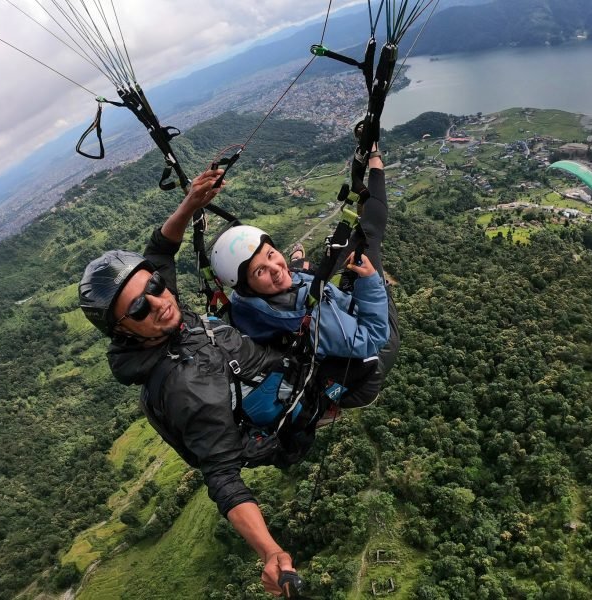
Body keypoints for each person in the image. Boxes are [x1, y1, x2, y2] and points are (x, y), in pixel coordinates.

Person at [78, 168, 299, 596]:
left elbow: (159, 250)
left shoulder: (161, 314)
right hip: (293, 391)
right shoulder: (186, 387)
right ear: (122, 330)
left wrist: (191, 204)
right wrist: (270, 552)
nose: (162, 301)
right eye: (141, 307)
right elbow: (223, 479)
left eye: (157, 286)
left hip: (264, 355)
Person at [210, 146, 400, 409]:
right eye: (259, 271)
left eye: (271, 254)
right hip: (362, 374)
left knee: (343, 262)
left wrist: (297, 265)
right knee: (370, 241)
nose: (276, 268)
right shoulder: (308, 318)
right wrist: (370, 284)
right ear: (247, 286)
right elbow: (373, 337)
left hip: (321, 350)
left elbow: (291, 285)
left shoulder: (242, 303)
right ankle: (376, 161)